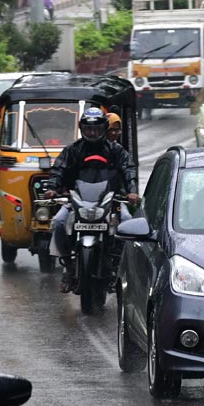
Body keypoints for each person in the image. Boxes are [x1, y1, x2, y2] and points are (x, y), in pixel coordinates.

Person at [44, 107, 139, 291]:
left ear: (104, 128)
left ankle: (119, 268)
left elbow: (129, 170)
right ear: (82, 129)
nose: (92, 132)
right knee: (58, 222)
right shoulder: (72, 150)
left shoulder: (116, 150)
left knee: (127, 223)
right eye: (88, 129)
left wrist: (132, 191)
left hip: (111, 201)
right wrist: (52, 189)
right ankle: (69, 266)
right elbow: (58, 170)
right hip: (77, 201)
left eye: (96, 129)